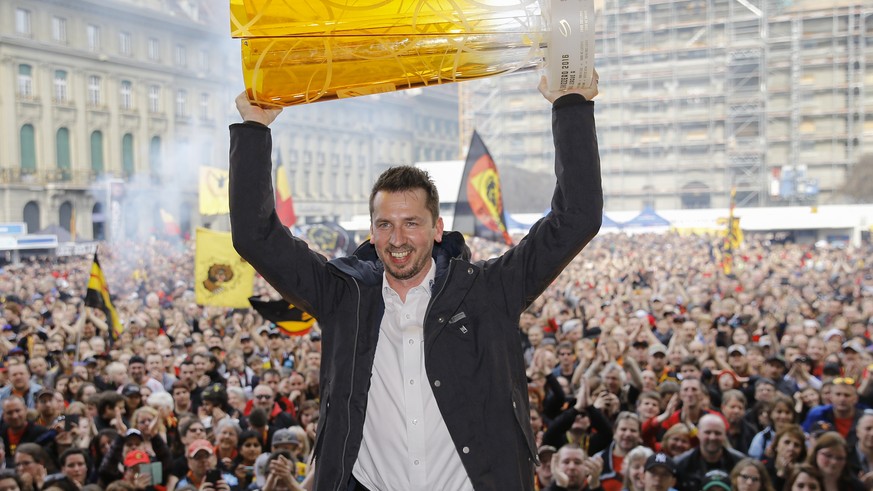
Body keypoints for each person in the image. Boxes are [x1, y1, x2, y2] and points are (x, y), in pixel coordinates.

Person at [229, 70, 602, 490]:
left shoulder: (488, 290)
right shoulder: (342, 296)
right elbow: (255, 236)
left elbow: (576, 218)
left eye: (412, 223)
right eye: (385, 224)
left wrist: (570, 106)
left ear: (438, 228)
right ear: (371, 230)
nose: (398, 239)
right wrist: (254, 128)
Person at [673, 414, 747, 491]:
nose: (712, 437)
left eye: (717, 433)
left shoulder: (740, 463)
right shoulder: (680, 464)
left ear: (725, 435)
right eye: (707, 432)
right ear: (698, 433)